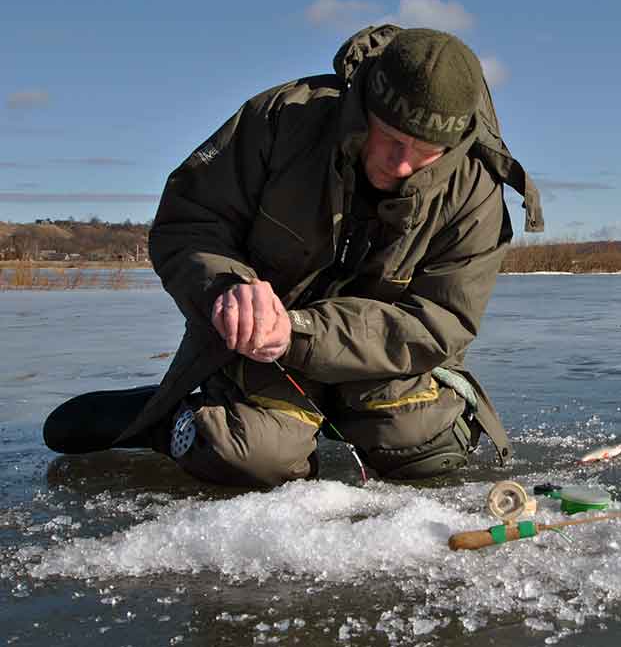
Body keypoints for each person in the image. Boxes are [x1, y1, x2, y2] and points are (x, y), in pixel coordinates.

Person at [43, 25, 544, 487]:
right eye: (390, 138)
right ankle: (171, 419)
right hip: (255, 346)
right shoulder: (283, 119)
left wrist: (301, 331)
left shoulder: (475, 192)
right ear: (366, 104)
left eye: (425, 150)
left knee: (427, 450)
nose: (402, 163)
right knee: (254, 457)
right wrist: (227, 288)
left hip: (377, 358)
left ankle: (346, 416)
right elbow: (190, 223)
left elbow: (439, 322)